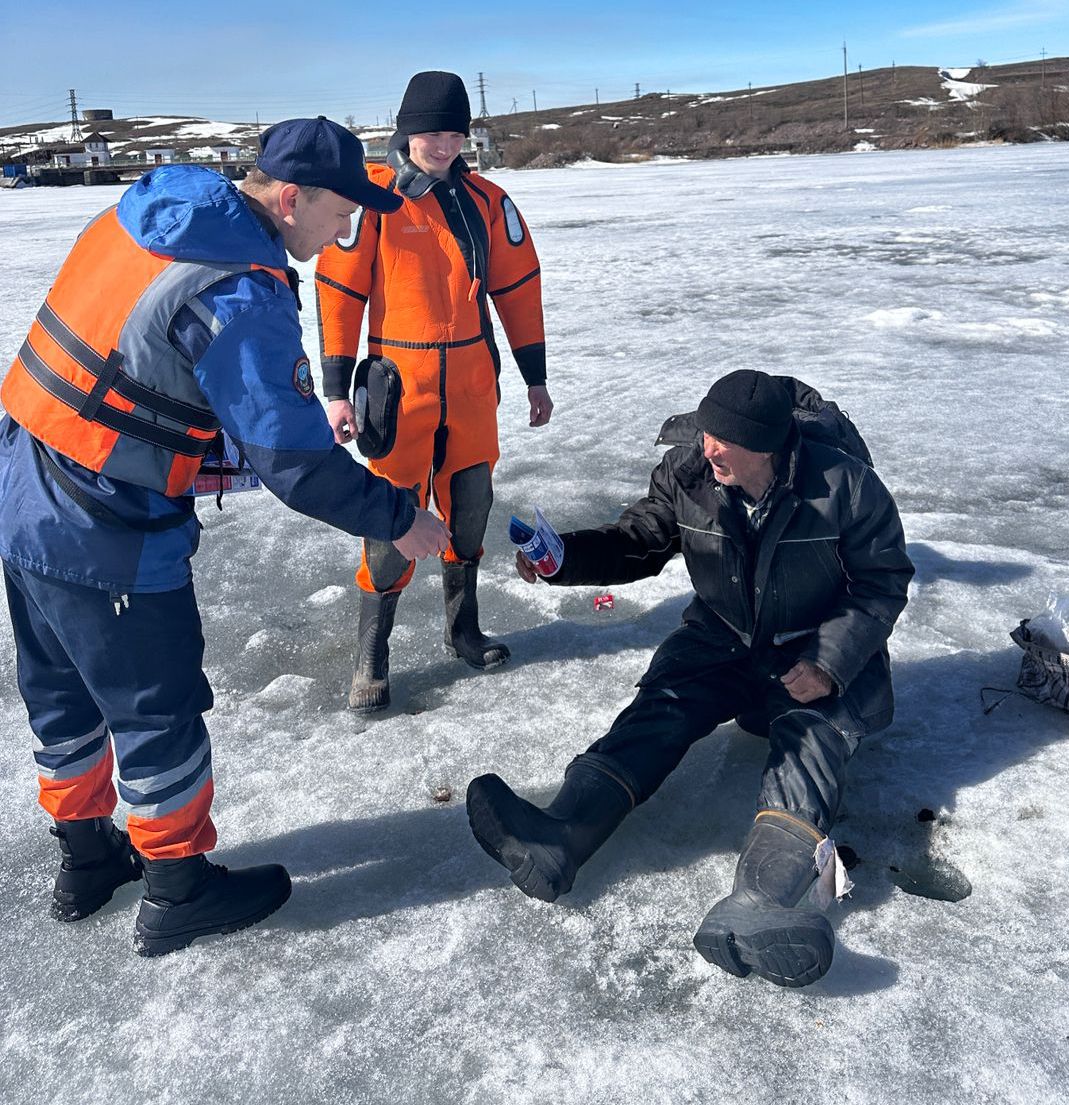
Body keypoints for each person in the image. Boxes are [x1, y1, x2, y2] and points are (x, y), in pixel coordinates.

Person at [0, 116, 450, 956]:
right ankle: (177, 887)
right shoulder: (239, 289)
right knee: (155, 706)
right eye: (340, 212)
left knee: (62, 692)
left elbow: (135, 362)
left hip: (22, 481)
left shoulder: (153, 211)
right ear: (292, 198)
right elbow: (297, 464)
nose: (345, 232)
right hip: (104, 521)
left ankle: (85, 858)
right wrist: (402, 518)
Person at [466, 370, 914, 988]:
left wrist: (830, 663)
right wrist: (563, 558)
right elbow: (637, 540)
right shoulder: (689, 473)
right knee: (660, 709)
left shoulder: (844, 485)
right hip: (723, 637)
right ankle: (559, 836)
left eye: (724, 441)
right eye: (705, 434)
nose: (708, 449)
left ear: (768, 447)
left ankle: (764, 901)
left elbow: (881, 582)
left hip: (815, 648)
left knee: (808, 749)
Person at [315, 71, 552, 714]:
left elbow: (519, 289)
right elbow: (340, 293)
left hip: (472, 386)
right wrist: (336, 390)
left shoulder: (489, 201)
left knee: (470, 507)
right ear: (405, 132)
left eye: (454, 134)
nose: (443, 146)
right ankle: (372, 654)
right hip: (399, 388)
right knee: (390, 519)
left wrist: (534, 376)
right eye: (430, 134)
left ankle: (463, 629)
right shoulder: (372, 198)